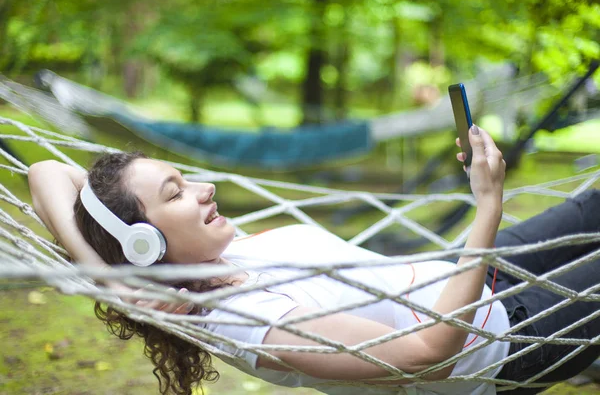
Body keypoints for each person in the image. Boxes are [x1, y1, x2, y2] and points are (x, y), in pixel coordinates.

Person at [27, 126, 600, 395]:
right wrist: (489, 206)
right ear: (145, 244)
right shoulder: (246, 319)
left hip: (461, 270)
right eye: (175, 193)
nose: (203, 189)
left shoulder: (219, 252)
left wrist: (102, 272)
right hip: (508, 335)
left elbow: (48, 174)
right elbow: (431, 354)